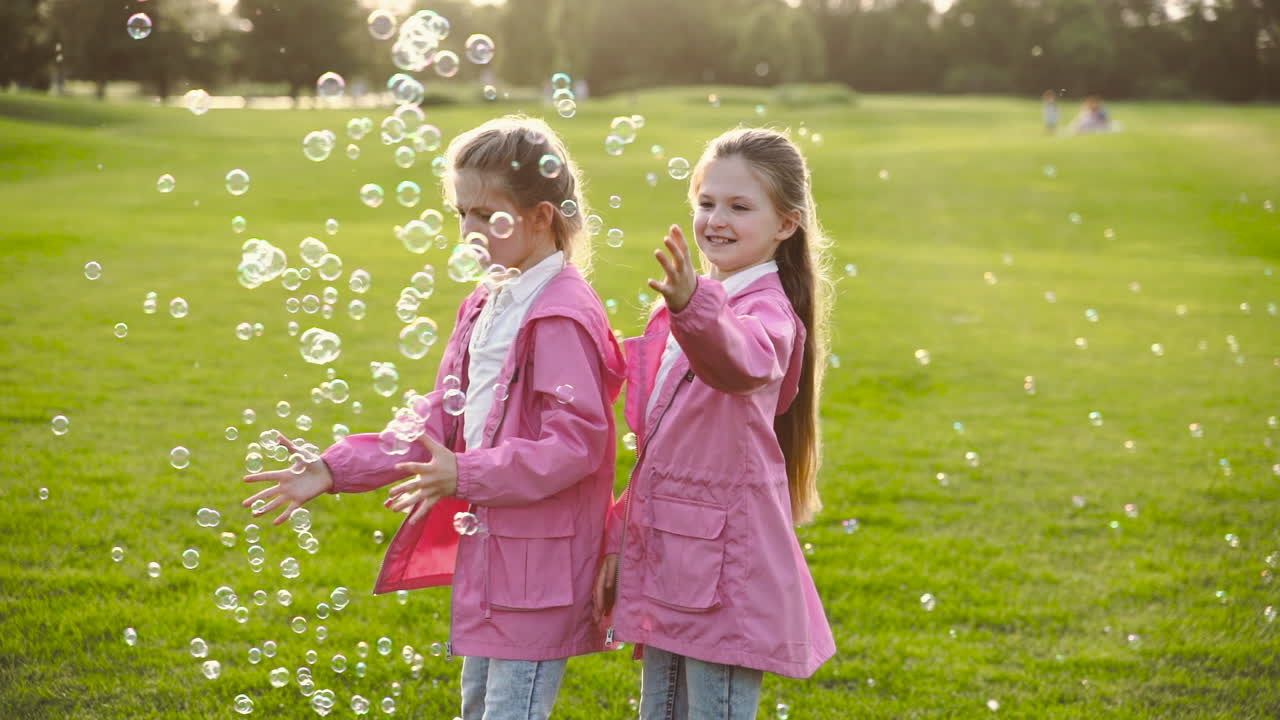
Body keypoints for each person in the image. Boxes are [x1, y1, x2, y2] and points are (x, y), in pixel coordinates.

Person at [241, 116, 625, 720]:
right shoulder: (487, 300)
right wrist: (332, 469)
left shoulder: (560, 315)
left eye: (484, 214)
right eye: (460, 214)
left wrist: (465, 476)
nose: (468, 231)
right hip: (500, 561)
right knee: (477, 707)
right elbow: (438, 418)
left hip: (538, 571)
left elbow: (576, 445)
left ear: (541, 217)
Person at [593, 127, 836, 719]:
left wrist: (689, 306)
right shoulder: (703, 303)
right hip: (676, 556)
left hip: (724, 568)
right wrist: (620, 538)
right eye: (706, 203)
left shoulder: (764, 312)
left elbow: (737, 361)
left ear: (786, 224)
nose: (716, 220)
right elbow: (661, 449)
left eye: (739, 206)